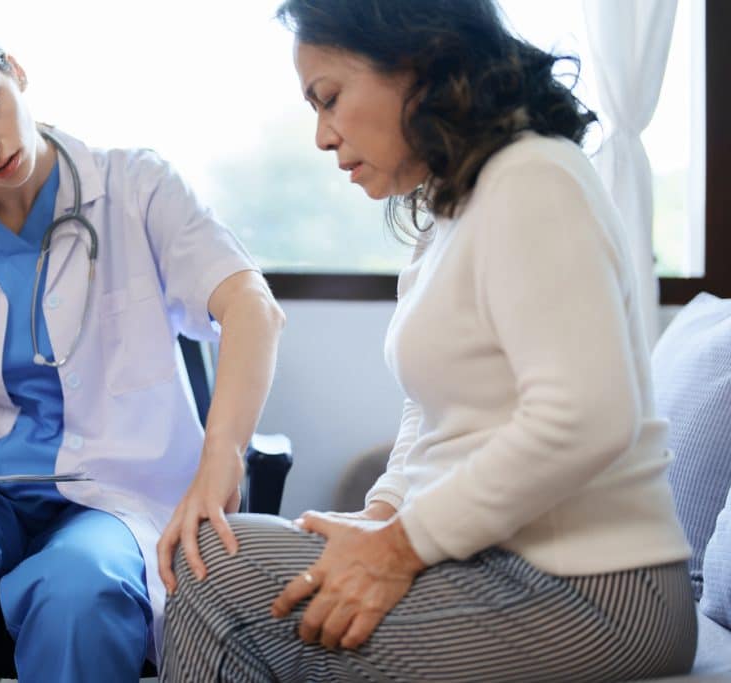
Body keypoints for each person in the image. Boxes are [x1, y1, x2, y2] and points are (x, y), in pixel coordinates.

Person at [160, 1, 697, 681]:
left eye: (329, 99)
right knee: (215, 553)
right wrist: (380, 514)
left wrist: (402, 546)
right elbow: (431, 411)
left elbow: (588, 415)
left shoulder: (533, 179)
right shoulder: (448, 214)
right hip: (499, 560)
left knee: (214, 581)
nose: (322, 136)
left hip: (598, 587)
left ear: (416, 60)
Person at [0, 8, 284, 683]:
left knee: (81, 589)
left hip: (112, 491)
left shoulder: (136, 188)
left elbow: (252, 308)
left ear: (15, 70)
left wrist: (221, 457)